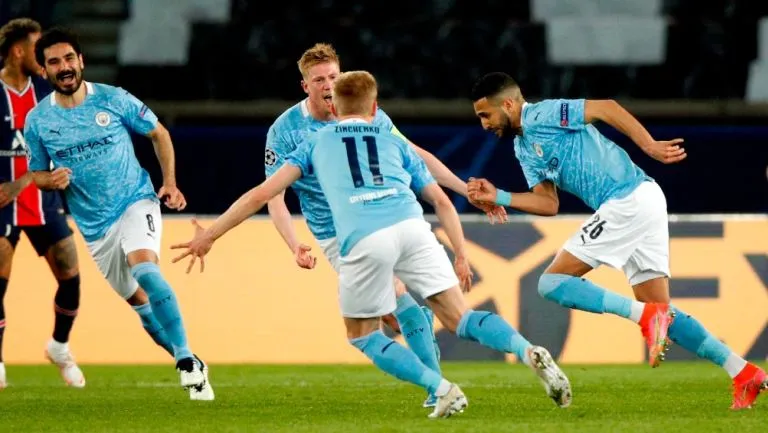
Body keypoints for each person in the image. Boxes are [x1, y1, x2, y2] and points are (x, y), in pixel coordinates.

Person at [172, 70, 572, 419]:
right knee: (460, 318)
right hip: (413, 228)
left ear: (336, 105)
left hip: (365, 238)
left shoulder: (314, 142)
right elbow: (440, 200)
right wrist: (462, 251)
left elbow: (262, 195)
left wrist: (210, 234)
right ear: (374, 104)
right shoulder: (391, 139)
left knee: (363, 334)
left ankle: (441, 389)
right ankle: (526, 350)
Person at [467, 72, 767, 410]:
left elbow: (606, 108)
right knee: (662, 312)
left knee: (551, 283)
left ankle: (646, 317)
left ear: (508, 104)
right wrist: (501, 196)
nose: (484, 125)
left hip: (627, 199)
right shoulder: (523, 148)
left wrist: (650, 145)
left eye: (485, 115)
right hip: (643, 201)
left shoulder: (543, 114)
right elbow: (548, 204)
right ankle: (744, 373)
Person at [264, 43, 507, 408]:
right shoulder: (285, 131)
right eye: (319, 80)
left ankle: (437, 390)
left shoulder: (366, 113)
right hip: (337, 233)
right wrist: (293, 242)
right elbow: (274, 195)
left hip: (383, 215)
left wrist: (464, 188)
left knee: (398, 302)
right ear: (305, 87)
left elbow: (416, 156)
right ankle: (437, 386)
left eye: (333, 76)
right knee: (396, 307)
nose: (328, 84)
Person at [24, 27, 213, 400]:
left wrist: (169, 183)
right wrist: (51, 179)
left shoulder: (113, 99)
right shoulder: (38, 121)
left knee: (145, 267)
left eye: (68, 59)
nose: (63, 67)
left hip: (135, 200)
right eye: (53, 62)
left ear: (81, 61)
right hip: (95, 228)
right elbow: (36, 173)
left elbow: (158, 133)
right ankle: (186, 357)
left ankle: (188, 361)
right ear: (44, 71)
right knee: (141, 306)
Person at [0, 18, 82, 389]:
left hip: (42, 200)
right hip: (2, 205)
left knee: (70, 274)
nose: (44, 57)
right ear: (19, 51)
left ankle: (59, 346)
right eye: (36, 49)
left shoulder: (46, 96)